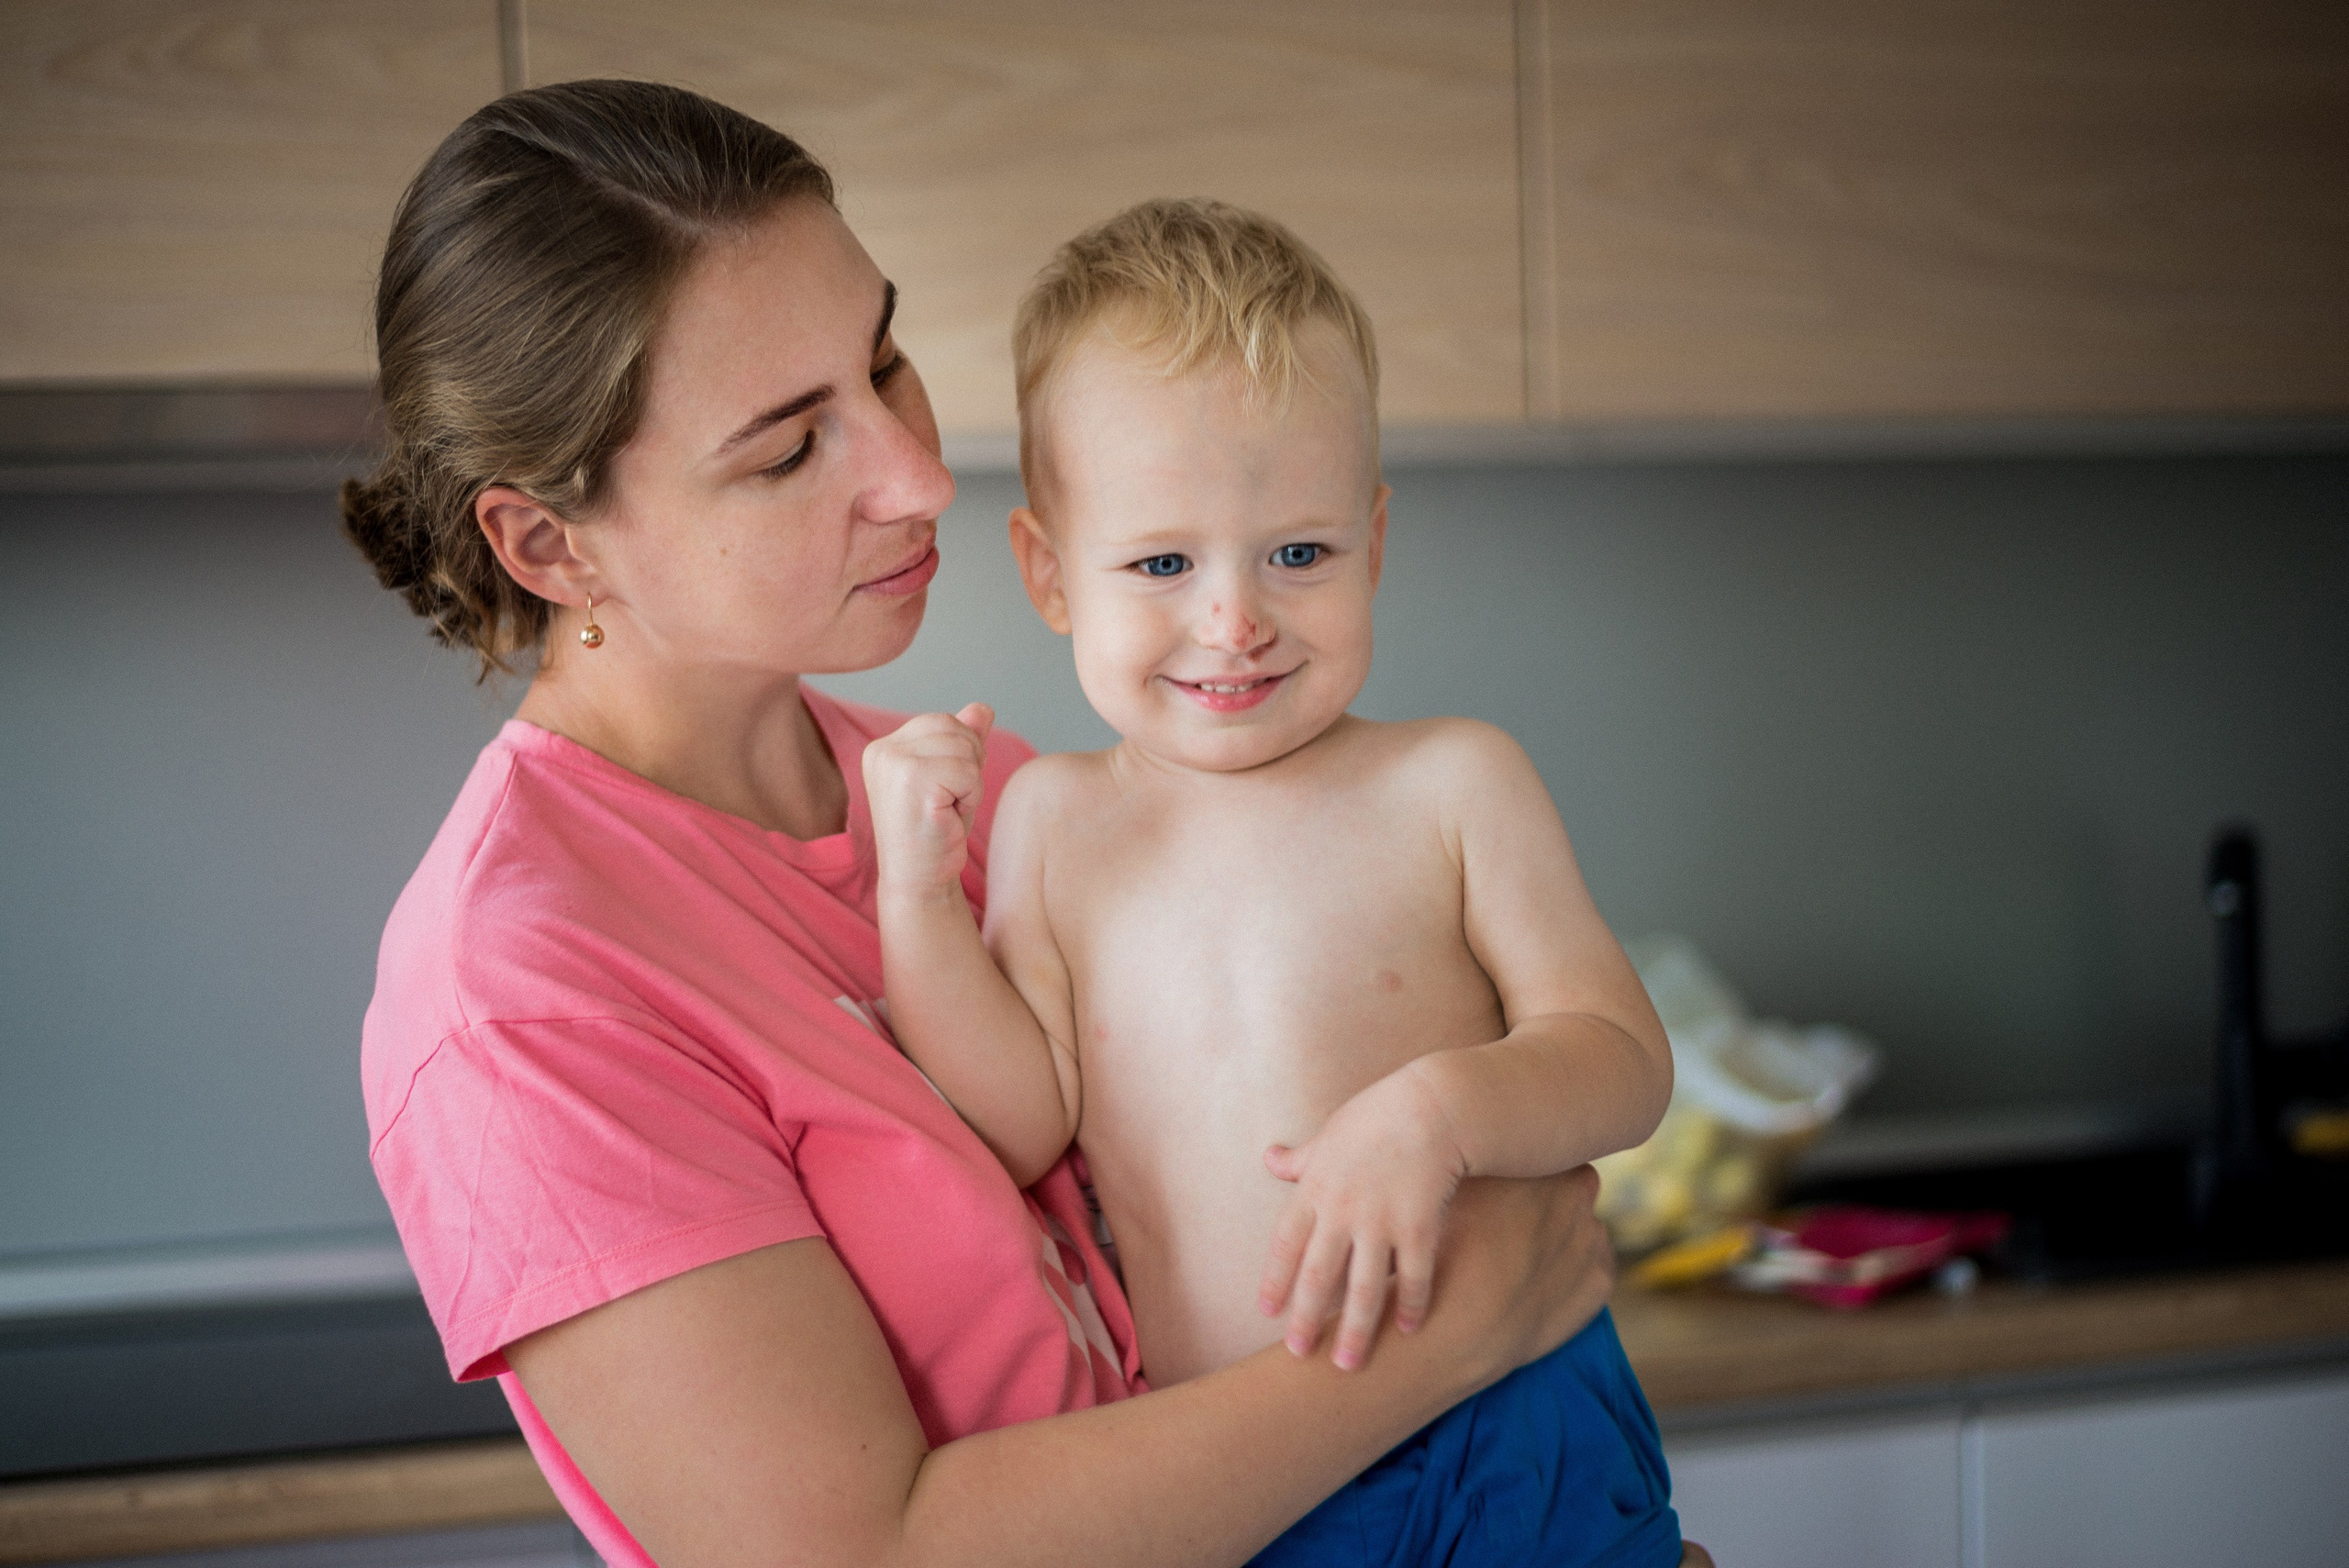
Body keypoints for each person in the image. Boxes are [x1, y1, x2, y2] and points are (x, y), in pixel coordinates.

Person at [349, 79, 1636, 1568]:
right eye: (786, 449)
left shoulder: (990, 792)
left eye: (884, 360)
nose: (913, 473)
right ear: (548, 542)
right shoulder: (517, 995)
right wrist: (1446, 1345)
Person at [861, 199, 1686, 1567]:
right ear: (1051, 576)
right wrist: (915, 900)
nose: (1233, 618)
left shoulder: (1455, 782)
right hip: (1250, 1470)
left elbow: (1622, 1059)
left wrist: (1439, 1112)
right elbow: (1017, 1121)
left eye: (1298, 553)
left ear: (1375, 539)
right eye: (1163, 563)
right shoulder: (1053, 821)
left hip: (1516, 1411)